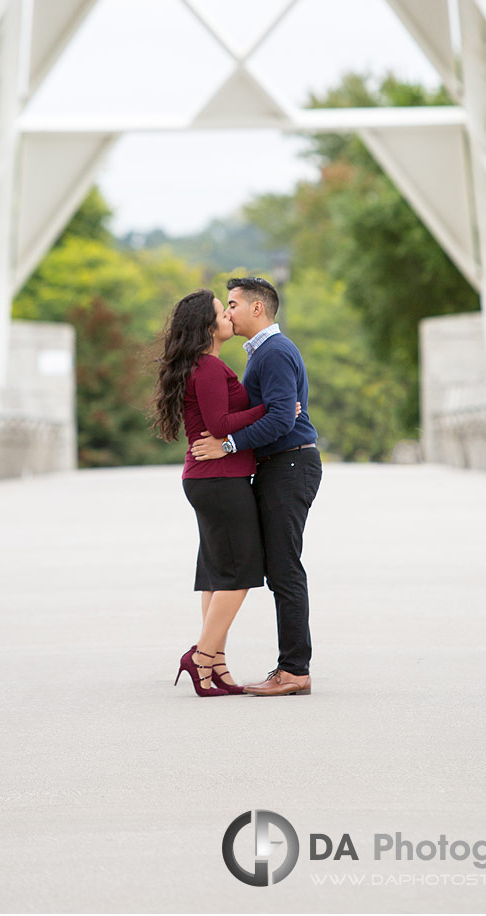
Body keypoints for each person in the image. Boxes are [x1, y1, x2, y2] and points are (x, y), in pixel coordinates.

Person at [191, 276, 322, 696]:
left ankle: (294, 670)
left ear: (257, 309)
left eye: (232, 304)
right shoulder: (262, 354)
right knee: (277, 566)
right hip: (276, 466)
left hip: (290, 464)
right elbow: (272, 411)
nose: (227, 312)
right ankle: (221, 660)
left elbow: (283, 419)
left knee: (285, 568)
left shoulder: (275, 352)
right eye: (224, 307)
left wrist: (228, 443)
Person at [153, 289, 273, 698]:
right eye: (223, 312)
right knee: (239, 572)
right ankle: (201, 657)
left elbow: (218, 421)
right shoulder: (206, 368)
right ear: (208, 326)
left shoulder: (206, 365)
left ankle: (216, 666)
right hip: (218, 480)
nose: (229, 317)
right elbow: (220, 423)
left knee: (217, 573)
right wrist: (273, 408)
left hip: (211, 478)